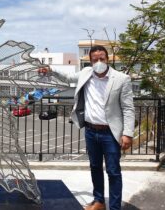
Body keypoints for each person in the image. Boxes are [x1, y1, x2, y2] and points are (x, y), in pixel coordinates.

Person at [42, 45, 135, 210]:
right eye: (95, 60)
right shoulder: (86, 73)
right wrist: (50, 70)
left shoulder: (121, 79)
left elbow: (128, 108)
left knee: (113, 172)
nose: (99, 62)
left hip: (111, 133)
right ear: (90, 61)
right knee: (94, 167)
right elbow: (67, 77)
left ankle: (114, 207)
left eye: (102, 59)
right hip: (91, 131)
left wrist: (127, 134)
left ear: (107, 59)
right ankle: (99, 201)